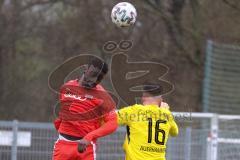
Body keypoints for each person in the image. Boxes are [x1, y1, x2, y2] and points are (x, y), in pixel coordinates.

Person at [53, 57, 118, 160]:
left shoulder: (103, 96)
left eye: (99, 78)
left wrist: (89, 137)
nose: (94, 80)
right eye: (93, 74)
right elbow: (63, 112)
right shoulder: (66, 88)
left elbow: (113, 123)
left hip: (86, 149)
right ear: (85, 69)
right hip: (62, 146)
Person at [117, 83, 179, 160]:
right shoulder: (167, 114)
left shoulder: (134, 111)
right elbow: (175, 132)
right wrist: (165, 111)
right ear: (160, 99)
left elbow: (111, 120)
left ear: (144, 97)